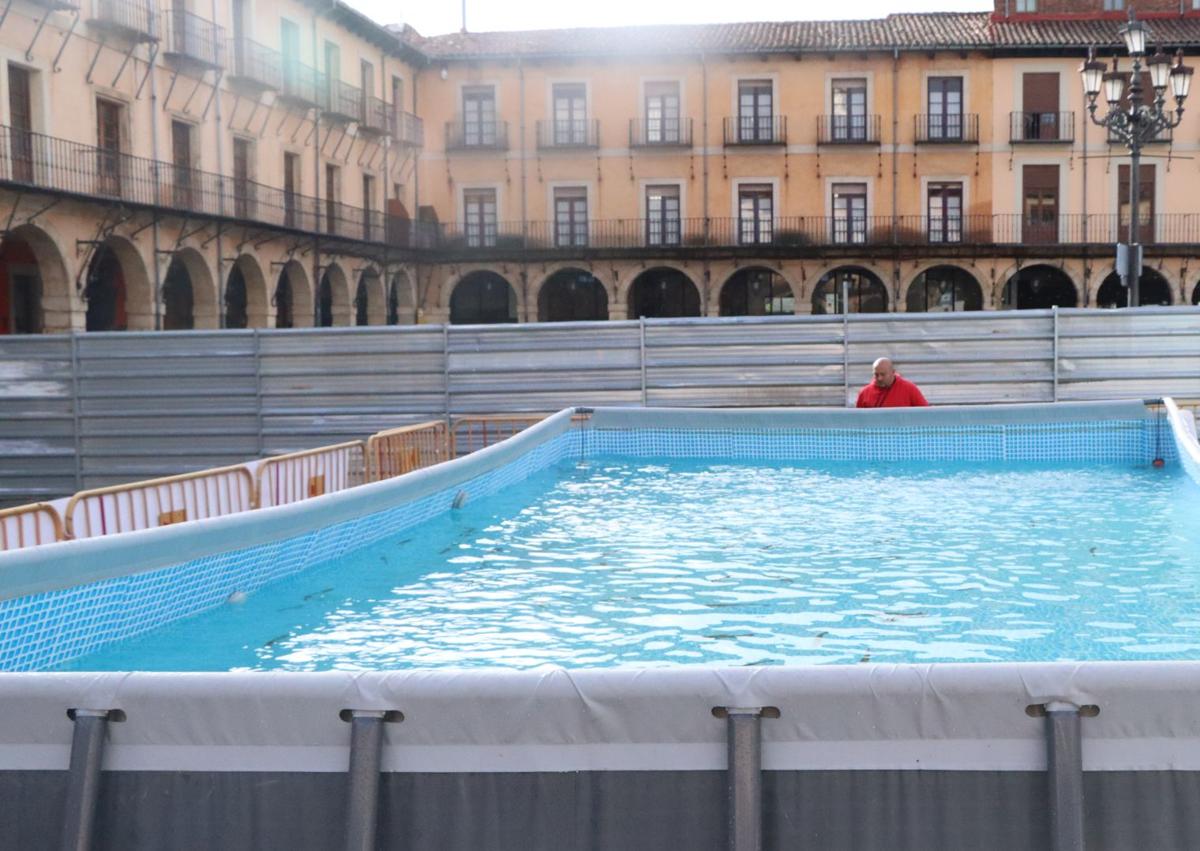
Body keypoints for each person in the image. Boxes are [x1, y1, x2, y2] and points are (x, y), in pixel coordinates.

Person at [855, 357, 929, 408]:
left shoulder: (909, 389)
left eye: (883, 374)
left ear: (893, 372)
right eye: (876, 374)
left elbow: (925, 413)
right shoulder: (864, 393)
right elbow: (858, 420)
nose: (879, 378)